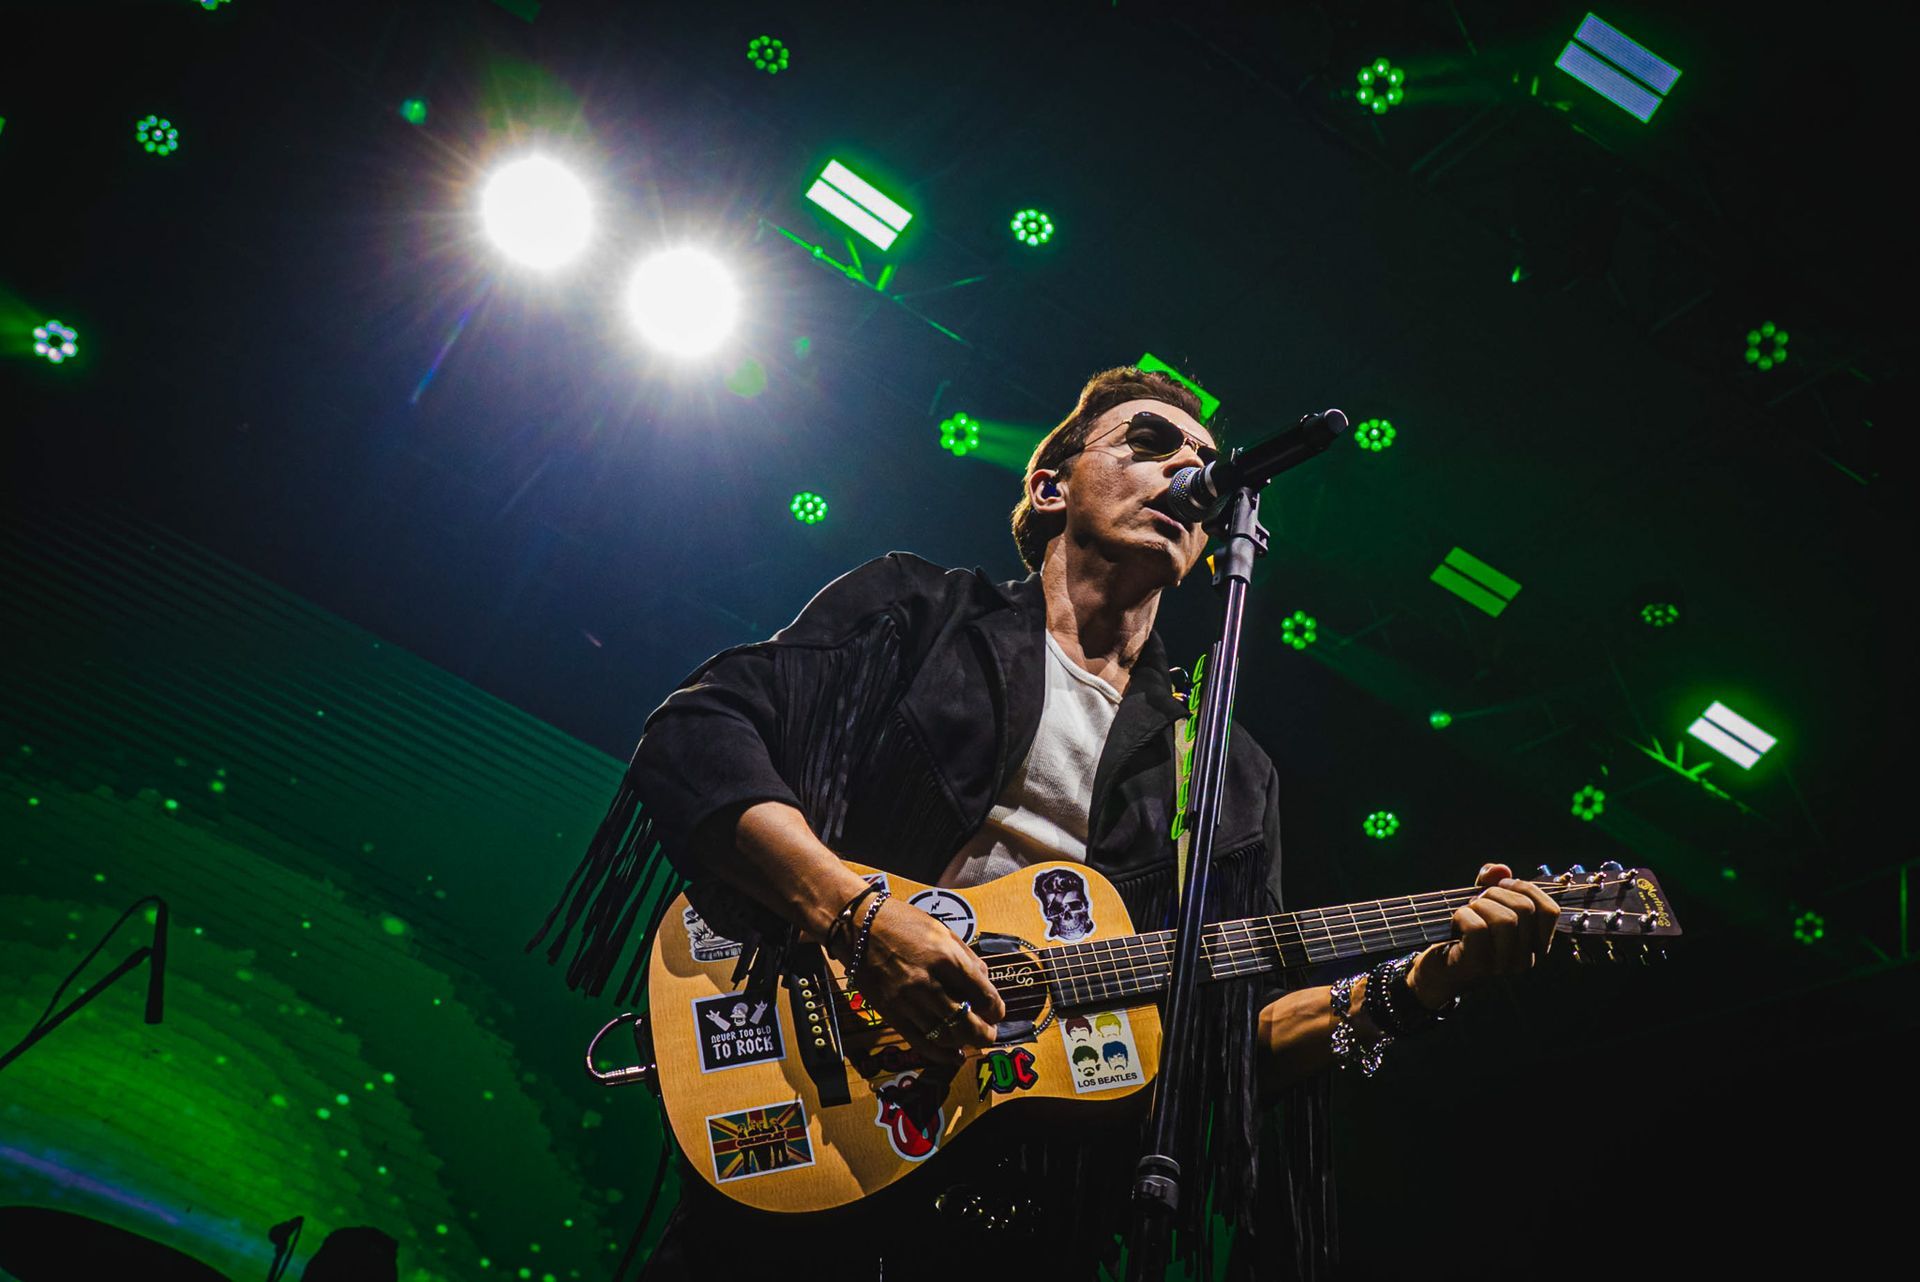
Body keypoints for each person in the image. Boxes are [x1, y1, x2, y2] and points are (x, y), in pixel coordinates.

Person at [531, 366, 1561, 1281]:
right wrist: (857, 916)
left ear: (1216, 543)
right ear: (1051, 486)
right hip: (819, 1109)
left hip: (1023, 1216)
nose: (1189, 471)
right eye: (1149, 443)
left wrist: (1421, 987)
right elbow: (700, 735)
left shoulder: (1231, 774)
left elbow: (1227, 1042)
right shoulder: (921, 612)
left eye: (1206, 464)